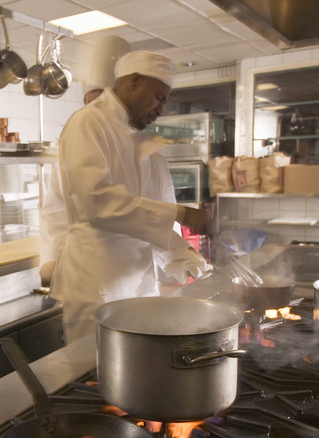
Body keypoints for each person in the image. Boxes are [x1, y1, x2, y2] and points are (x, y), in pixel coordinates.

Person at [50, 50, 212, 343]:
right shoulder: (88, 123)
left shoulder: (138, 138)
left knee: (135, 371)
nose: (161, 109)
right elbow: (98, 204)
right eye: (159, 97)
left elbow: (142, 219)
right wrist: (183, 214)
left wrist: (179, 253)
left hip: (138, 283)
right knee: (96, 373)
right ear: (134, 81)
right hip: (98, 284)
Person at [39, 37, 130, 287]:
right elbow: (55, 206)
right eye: (89, 103)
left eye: (102, 102)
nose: (93, 112)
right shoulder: (74, 141)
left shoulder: (136, 146)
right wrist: (50, 255)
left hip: (130, 273)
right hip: (86, 272)